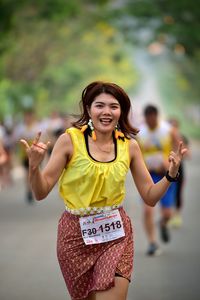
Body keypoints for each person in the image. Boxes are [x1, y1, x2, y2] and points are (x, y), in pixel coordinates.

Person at [20, 81, 187, 300]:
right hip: (74, 237)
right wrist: (34, 166)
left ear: (121, 112)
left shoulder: (130, 146)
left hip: (115, 235)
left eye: (113, 106)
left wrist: (170, 175)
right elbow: (41, 192)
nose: (106, 112)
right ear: (89, 109)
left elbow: (150, 196)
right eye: (100, 105)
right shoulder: (69, 141)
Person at [137, 105, 181, 256]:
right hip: (148, 175)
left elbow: (178, 148)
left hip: (166, 175)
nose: (149, 122)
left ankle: (163, 223)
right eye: (147, 119)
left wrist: (170, 160)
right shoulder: (140, 132)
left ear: (156, 116)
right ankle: (152, 243)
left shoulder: (168, 130)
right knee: (148, 209)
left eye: (152, 119)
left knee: (168, 213)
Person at [168, 118, 190, 228]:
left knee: (178, 192)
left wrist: (181, 151)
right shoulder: (164, 138)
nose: (173, 129)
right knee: (168, 191)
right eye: (171, 126)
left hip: (179, 168)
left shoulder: (182, 138)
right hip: (167, 167)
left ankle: (176, 215)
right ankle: (168, 215)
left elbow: (188, 154)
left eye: (175, 126)